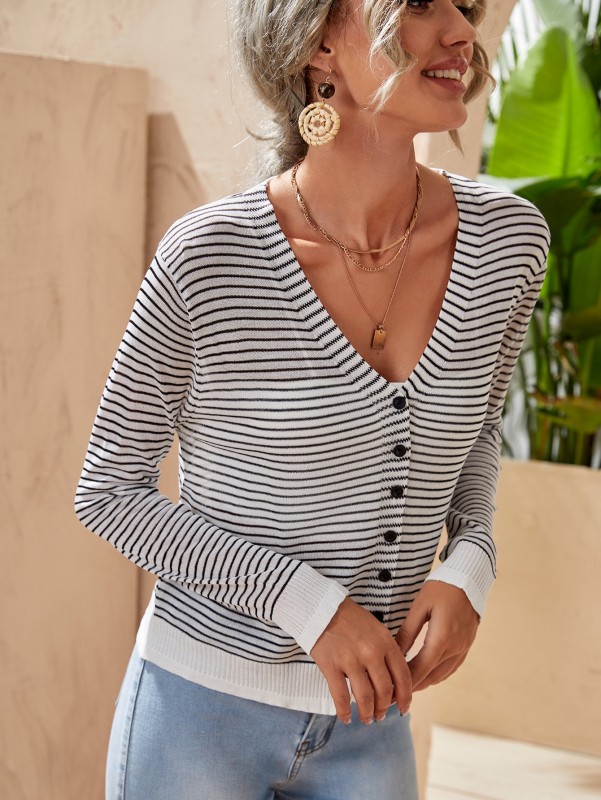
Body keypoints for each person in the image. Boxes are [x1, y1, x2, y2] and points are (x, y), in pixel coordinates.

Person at [75, 1, 550, 798]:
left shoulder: (507, 243)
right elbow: (109, 493)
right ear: (319, 41)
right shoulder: (209, 258)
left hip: (372, 722)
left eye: (464, 5)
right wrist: (309, 606)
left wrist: (470, 563)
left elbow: (473, 436)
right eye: (416, 2)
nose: (459, 31)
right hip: (196, 718)